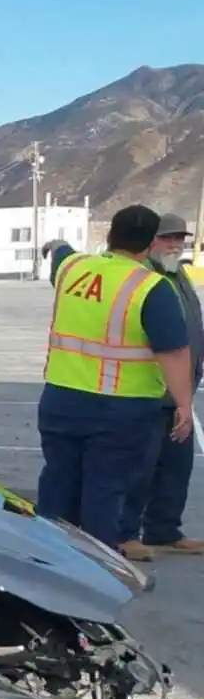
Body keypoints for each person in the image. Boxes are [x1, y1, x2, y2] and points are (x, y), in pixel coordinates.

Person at [36, 204, 194, 558]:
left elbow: (59, 250)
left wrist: (54, 242)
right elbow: (174, 352)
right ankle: (95, 568)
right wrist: (183, 404)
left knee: (57, 484)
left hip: (60, 400)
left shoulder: (73, 268)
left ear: (109, 236)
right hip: (120, 408)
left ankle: (46, 561)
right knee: (104, 492)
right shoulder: (150, 287)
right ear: (151, 242)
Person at [122, 214, 204, 553]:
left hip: (179, 392)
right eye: (166, 238)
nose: (174, 244)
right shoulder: (144, 279)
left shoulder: (177, 274)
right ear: (150, 241)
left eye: (179, 239)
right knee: (139, 469)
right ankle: (125, 534)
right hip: (150, 393)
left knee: (176, 467)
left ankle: (164, 529)